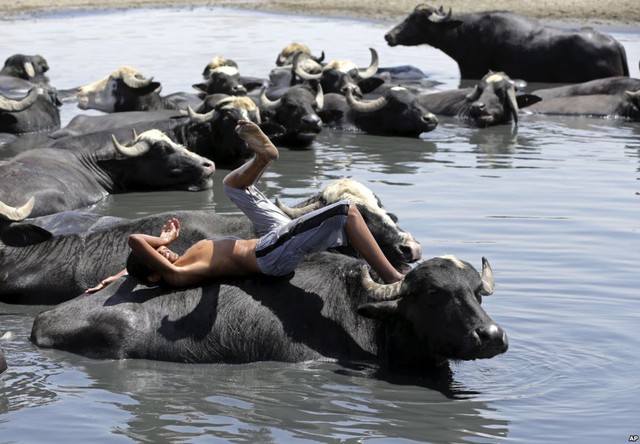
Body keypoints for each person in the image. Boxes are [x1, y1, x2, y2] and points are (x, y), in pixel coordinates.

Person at [86, 120, 404, 293]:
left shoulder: (171, 266)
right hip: (268, 256)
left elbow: (136, 267)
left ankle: (262, 158)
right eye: (159, 257)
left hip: (270, 238)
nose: (164, 252)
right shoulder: (178, 274)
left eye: (160, 252)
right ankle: (392, 277)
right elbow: (135, 242)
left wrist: (112, 279)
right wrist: (163, 241)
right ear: (158, 274)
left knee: (231, 186)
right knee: (346, 209)